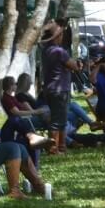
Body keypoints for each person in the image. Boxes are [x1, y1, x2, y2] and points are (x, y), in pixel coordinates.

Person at [38, 21, 73, 153]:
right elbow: (73, 66)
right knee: (58, 120)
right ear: (57, 37)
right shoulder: (59, 51)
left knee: (60, 118)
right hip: (60, 89)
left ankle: (61, 146)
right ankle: (53, 148)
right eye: (61, 34)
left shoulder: (46, 50)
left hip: (50, 88)